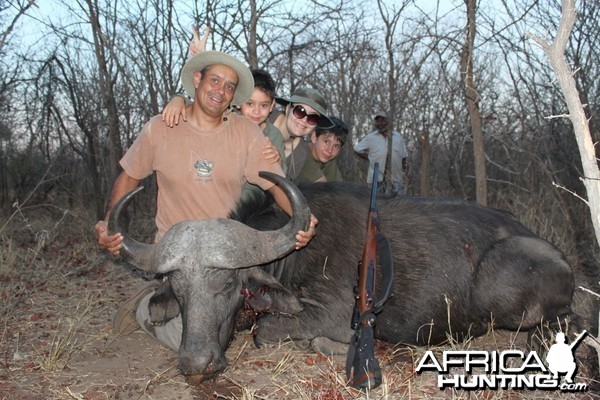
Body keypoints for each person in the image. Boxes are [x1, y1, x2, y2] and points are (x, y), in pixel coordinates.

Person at [94, 49, 318, 345]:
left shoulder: (247, 132)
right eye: (215, 80)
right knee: (192, 338)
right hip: (178, 255)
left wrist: (303, 217)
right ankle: (144, 306)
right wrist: (108, 223)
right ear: (197, 80)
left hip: (226, 255)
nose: (221, 90)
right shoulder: (161, 126)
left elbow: (275, 184)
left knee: (237, 319)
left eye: (229, 86)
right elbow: (129, 176)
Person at [271, 87, 334, 182]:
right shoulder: (262, 117)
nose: (304, 120)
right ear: (288, 108)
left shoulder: (301, 153)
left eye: (313, 117)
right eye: (299, 111)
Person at [354, 111, 408, 195]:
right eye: (378, 121)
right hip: (376, 178)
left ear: (388, 122)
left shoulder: (397, 136)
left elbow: (404, 156)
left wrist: (406, 173)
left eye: (382, 121)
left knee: (397, 204)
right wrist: (369, 157)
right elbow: (357, 149)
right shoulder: (371, 137)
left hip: (396, 178)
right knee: (376, 203)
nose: (380, 123)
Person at [295, 116, 348, 184]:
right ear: (314, 137)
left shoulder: (328, 158)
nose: (330, 150)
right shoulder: (300, 152)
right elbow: (323, 187)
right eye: (326, 142)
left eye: (336, 146)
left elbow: (339, 188)